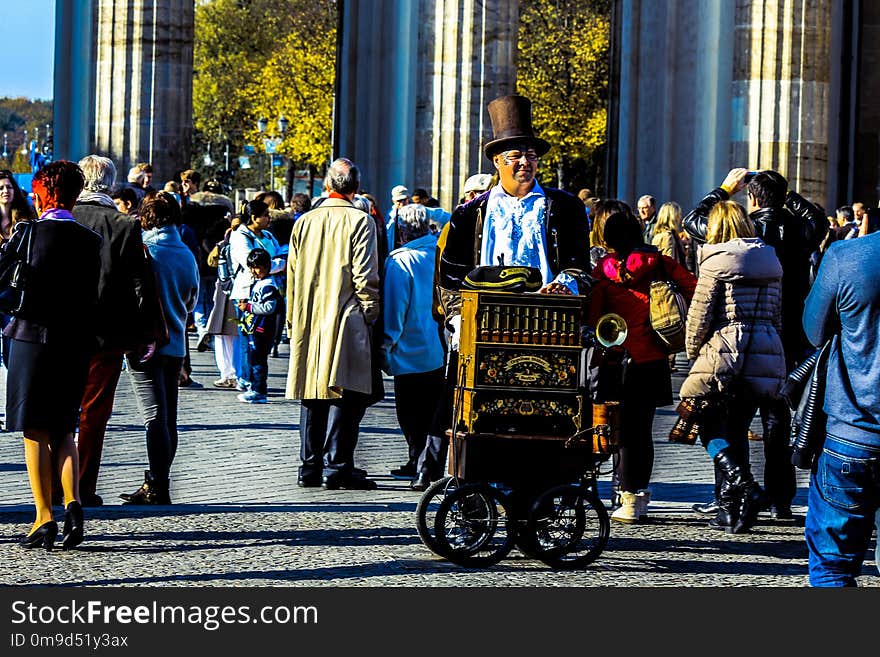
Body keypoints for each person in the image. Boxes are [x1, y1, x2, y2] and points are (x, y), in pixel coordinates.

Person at [429, 94, 592, 488]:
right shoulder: (469, 214)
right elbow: (450, 277)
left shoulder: (565, 208)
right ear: (497, 163)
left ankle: (545, 484)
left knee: (548, 414)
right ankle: (473, 486)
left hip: (548, 328)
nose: (525, 162)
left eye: (531, 155)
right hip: (486, 332)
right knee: (478, 413)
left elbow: (582, 268)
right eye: (515, 155)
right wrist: (457, 321)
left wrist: (565, 282)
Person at [683, 167, 827, 519]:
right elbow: (819, 223)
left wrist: (724, 189)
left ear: (753, 199)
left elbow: (693, 221)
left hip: (738, 340)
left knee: (733, 419)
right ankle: (781, 499)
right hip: (788, 332)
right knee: (778, 419)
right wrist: (786, 194)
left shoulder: (743, 238)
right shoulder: (798, 229)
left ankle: (734, 495)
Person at [3, 160, 102, 549]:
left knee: (33, 430)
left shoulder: (29, 232)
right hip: (74, 342)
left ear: (43, 192)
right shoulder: (89, 240)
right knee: (65, 429)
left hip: (31, 337)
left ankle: (43, 515)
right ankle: (73, 505)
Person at [678, 201, 785, 533]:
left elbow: (699, 316)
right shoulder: (771, 261)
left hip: (724, 349)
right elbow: (776, 314)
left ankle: (745, 487)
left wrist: (693, 353)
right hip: (765, 347)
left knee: (705, 424)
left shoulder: (714, 262)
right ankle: (735, 511)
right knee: (737, 427)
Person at [587, 209, 696, 523]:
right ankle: (635, 499)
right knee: (641, 432)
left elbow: (593, 316)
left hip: (613, 356)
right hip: (652, 356)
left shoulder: (603, 269)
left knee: (612, 426)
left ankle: (612, 490)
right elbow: (694, 289)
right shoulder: (661, 262)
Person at [286, 157, 380, 491]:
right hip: (346, 315)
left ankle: (308, 465)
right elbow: (365, 275)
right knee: (347, 394)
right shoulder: (360, 221)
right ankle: (338, 465)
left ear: (327, 185)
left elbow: (292, 275)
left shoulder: (305, 221)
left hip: (309, 316)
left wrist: (292, 319)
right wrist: (370, 314)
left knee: (312, 395)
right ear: (355, 188)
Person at [72, 155, 156, 507]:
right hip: (104, 336)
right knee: (93, 414)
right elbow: (141, 285)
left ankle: (50, 486)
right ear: (111, 183)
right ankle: (82, 486)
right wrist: (146, 333)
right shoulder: (123, 224)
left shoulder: (64, 219)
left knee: (59, 412)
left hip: (61, 332)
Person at [802, 225, 880, 586]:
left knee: (833, 566)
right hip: (853, 434)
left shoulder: (846, 256)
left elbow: (813, 330)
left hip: (853, 430)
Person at [119, 192, 199, 505]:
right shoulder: (186, 253)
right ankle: (159, 481)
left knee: (153, 417)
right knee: (168, 417)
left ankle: (157, 485)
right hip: (175, 342)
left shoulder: (144, 250)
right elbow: (191, 299)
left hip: (146, 344)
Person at [381, 203, 445, 488]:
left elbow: (395, 309)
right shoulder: (439, 255)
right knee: (432, 410)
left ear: (403, 231)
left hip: (408, 349)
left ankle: (417, 461)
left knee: (409, 412)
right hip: (437, 348)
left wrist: (386, 344)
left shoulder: (400, 262)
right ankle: (426, 464)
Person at [229, 200, 284, 392]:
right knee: (249, 337)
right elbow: (252, 263)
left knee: (264, 339)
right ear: (253, 217)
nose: (269, 218)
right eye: (265, 215)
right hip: (247, 293)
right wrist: (275, 265)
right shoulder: (240, 236)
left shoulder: (268, 235)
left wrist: (275, 264)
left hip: (268, 290)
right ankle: (246, 377)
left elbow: (279, 255)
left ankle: (256, 376)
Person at [235, 247, 281, 404]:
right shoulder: (259, 283)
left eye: (256, 268)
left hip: (263, 330)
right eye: (251, 268)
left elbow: (269, 307)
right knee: (253, 358)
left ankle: (259, 391)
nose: (253, 271)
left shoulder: (269, 285)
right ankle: (253, 386)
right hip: (254, 328)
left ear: (266, 267)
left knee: (259, 361)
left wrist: (248, 307)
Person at [0, 170, 36, 367]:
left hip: (13, 288)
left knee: (10, 341)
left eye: (9, 186)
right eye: (1, 188)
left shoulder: (25, 218)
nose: (6, 191)